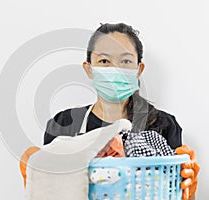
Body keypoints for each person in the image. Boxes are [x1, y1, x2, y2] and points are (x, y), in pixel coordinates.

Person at [41, 22, 200, 200]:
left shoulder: (163, 125)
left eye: (125, 61)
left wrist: (189, 191)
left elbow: (173, 191)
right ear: (89, 69)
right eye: (104, 61)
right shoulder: (63, 124)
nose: (115, 69)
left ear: (138, 69)